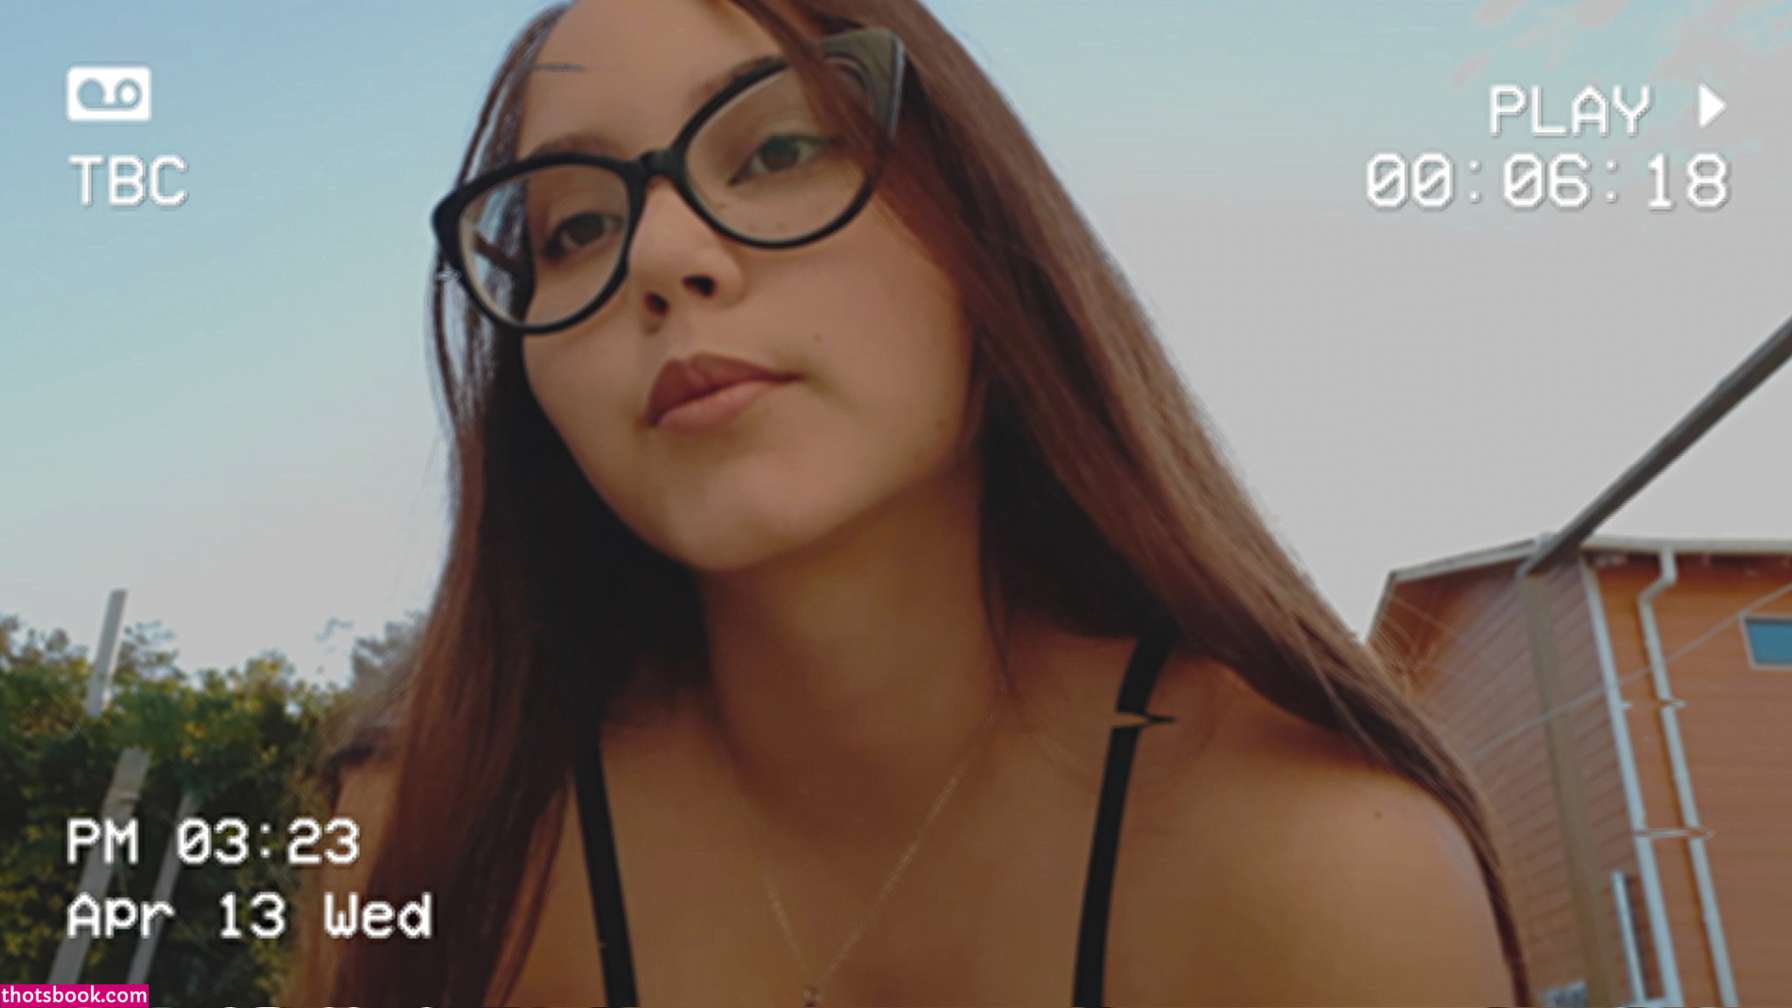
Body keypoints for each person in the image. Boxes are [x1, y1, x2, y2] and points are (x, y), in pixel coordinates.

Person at [290, 1, 1532, 1005]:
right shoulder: (432, 854)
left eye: (778, 150)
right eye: (572, 229)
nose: (657, 256)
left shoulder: (1322, 864)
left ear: (983, 230)